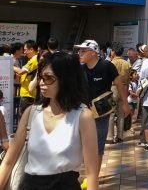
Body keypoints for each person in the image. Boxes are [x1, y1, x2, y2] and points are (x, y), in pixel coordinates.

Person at [0, 52, 99, 190]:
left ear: (66, 79)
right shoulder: (32, 112)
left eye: (48, 78)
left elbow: (92, 173)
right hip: (29, 185)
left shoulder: (83, 116)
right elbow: (8, 162)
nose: (41, 82)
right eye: (40, 77)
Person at [77, 39, 131, 179]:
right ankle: (87, 173)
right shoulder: (80, 69)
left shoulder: (107, 66)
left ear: (93, 52)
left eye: (83, 51)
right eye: (79, 50)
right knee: (82, 145)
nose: (80, 53)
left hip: (101, 113)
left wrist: (126, 103)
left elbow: (119, 83)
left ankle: (93, 178)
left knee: (97, 147)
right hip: (82, 113)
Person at [108, 42, 131, 144]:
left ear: (113, 51)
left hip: (113, 88)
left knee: (111, 113)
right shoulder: (127, 63)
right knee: (121, 113)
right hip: (124, 88)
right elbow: (129, 79)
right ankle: (120, 136)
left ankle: (110, 136)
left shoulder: (111, 63)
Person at [13, 40, 38, 116]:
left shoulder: (34, 60)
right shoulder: (32, 59)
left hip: (28, 94)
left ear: (31, 49)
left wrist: (10, 65)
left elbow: (21, 72)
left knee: (24, 117)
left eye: (25, 50)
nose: (24, 52)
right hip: (27, 93)